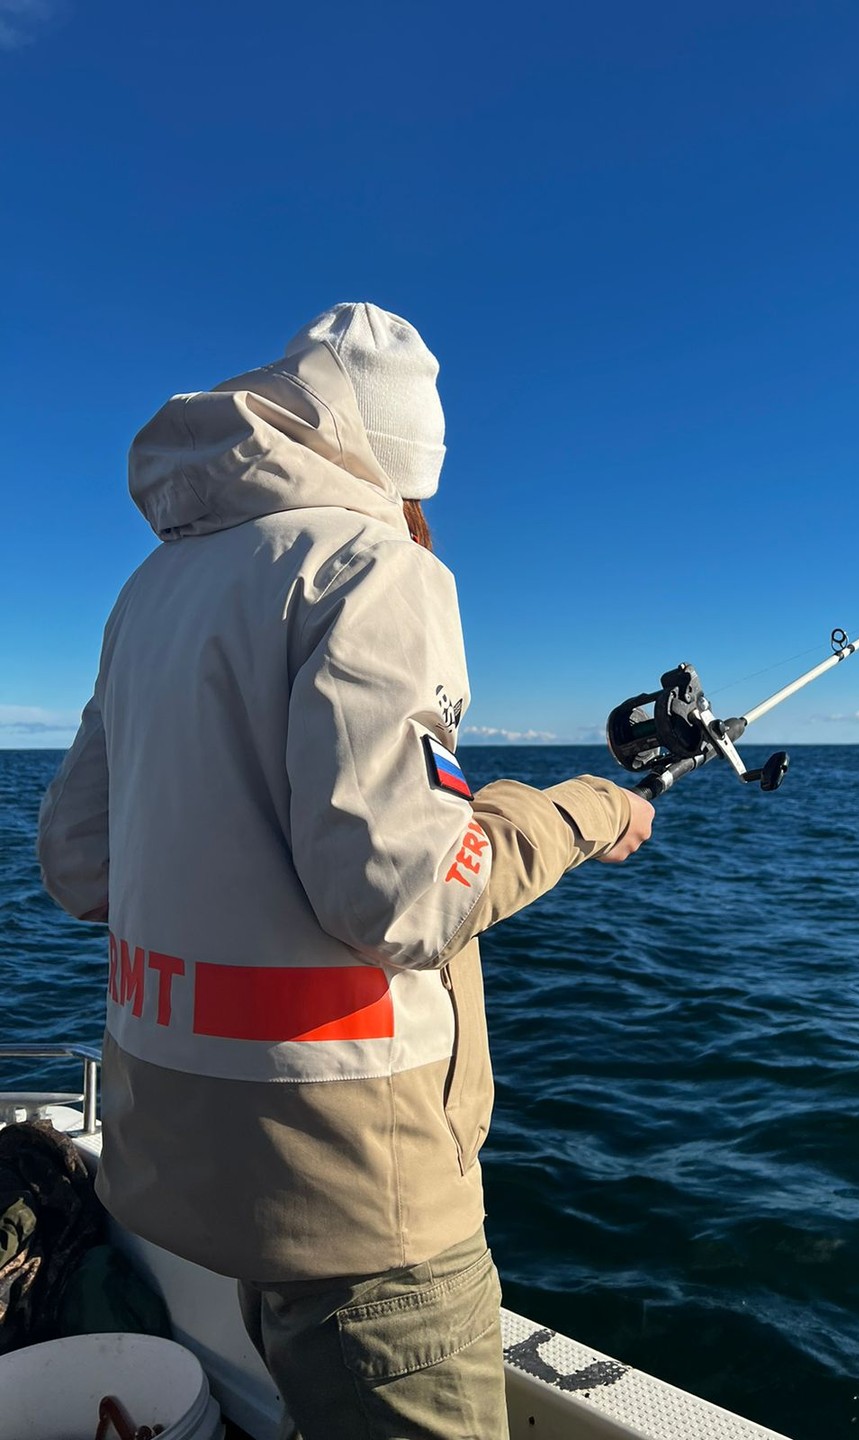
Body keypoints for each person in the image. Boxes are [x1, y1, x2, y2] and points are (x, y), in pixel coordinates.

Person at [37, 302, 654, 1440]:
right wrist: (572, 811)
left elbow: (77, 863)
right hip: (362, 1205)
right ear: (404, 468)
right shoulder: (378, 566)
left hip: (187, 1178)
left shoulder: (151, 594)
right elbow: (404, 894)